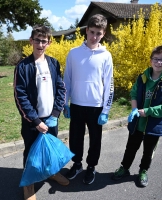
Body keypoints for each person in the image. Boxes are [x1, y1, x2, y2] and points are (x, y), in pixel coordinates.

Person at [111, 44, 162, 187]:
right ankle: (124, 168)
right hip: (138, 123)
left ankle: (143, 170)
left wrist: (147, 111)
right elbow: (134, 93)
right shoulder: (142, 77)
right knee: (131, 147)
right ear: (151, 60)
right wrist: (134, 109)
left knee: (148, 150)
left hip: (154, 124)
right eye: (156, 59)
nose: (158, 62)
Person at [13, 25, 69, 200]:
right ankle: (28, 185)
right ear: (31, 41)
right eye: (37, 40)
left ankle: (51, 173)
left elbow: (61, 88)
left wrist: (55, 114)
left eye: (44, 41)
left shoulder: (53, 63)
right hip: (32, 121)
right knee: (31, 153)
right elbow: (20, 96)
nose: (40, 44)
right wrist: (36, 121)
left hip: (51, 118)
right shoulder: (23, 66)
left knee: (49, 150)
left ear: (49, 43)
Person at [63, 14, 114, 185]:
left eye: (98, 33)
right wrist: (65, 103)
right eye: (92, 32)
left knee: (95, 140)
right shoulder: (73, 53)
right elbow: (67, 80)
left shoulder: (106, 56)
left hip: (96, 107)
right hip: (77, 104)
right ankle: (77, 165)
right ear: (86, 30)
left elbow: (109, 85)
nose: (94, 37)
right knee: (76, 138)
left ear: (103, 34)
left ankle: (91, 167)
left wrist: (106, 110)